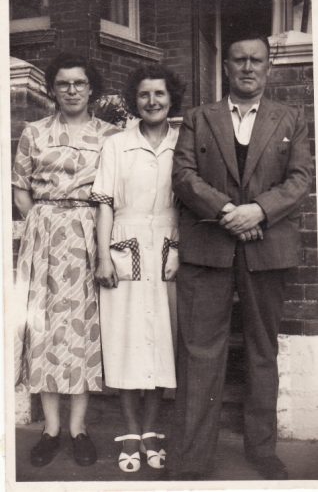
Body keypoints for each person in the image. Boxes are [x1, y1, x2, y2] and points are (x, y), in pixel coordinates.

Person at [165, 31, 313, 481]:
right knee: (198, 352)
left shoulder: (292, 117)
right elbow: (184, 175)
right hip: (209, 247)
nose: (248, 68)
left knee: (261, 350)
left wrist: (258, 212)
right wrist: (227, 210)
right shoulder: (198, 117)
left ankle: (262, 450)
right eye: (239, 60)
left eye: (256, 60)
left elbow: (300, 178)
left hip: (267, 248)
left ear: (268, 67)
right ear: (225, 67)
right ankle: (192, 458)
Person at [13, 52, 119, 467]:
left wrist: (84, 228)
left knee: (82, 332)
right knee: (43, 331)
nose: (71, 90)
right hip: (43, 236)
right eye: (63, 83)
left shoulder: (110, 136)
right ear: (52, 90)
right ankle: (51, 429)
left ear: (91, 88)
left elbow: (112, 193)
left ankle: (79, 428)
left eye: (79, 83)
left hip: (88, 235)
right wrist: (44, 223)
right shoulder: (33, 132)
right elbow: (21, 189)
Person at [91, 63, 185, 473]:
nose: (152, 101)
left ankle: (151, 429)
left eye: (159, 94)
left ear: (171, 98)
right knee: (125, 341)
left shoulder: (183, 143)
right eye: (144, 95)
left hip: (168, 246)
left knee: (163, 340)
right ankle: (129, 429)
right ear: (136, 100)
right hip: (124, 246)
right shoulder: (116, 144)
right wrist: (101, 257)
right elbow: (105, 203)